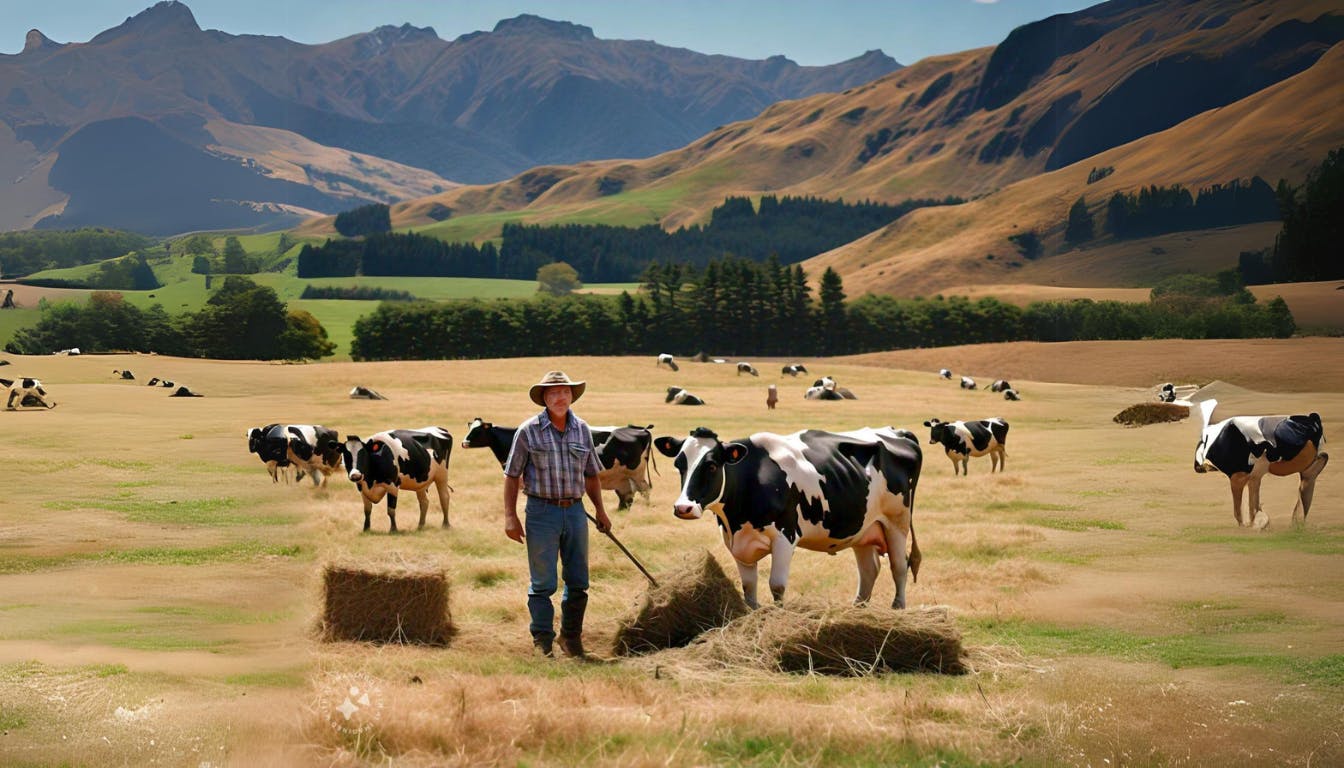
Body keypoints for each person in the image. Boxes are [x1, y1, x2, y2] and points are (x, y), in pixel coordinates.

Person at [503, 370, 612, 658]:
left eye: (564, 391)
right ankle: (542, 641)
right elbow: (512, 476)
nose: (559, 397)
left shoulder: (582, 429)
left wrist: (600, 510)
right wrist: (510, 517)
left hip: (575, 511)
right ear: (544, 399)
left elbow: (591, 475)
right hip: (541, 512)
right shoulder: (528, 431)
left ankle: (571, 638)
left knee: (578, 580)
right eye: (553, 393)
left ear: (572, 395)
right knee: (543, 583)